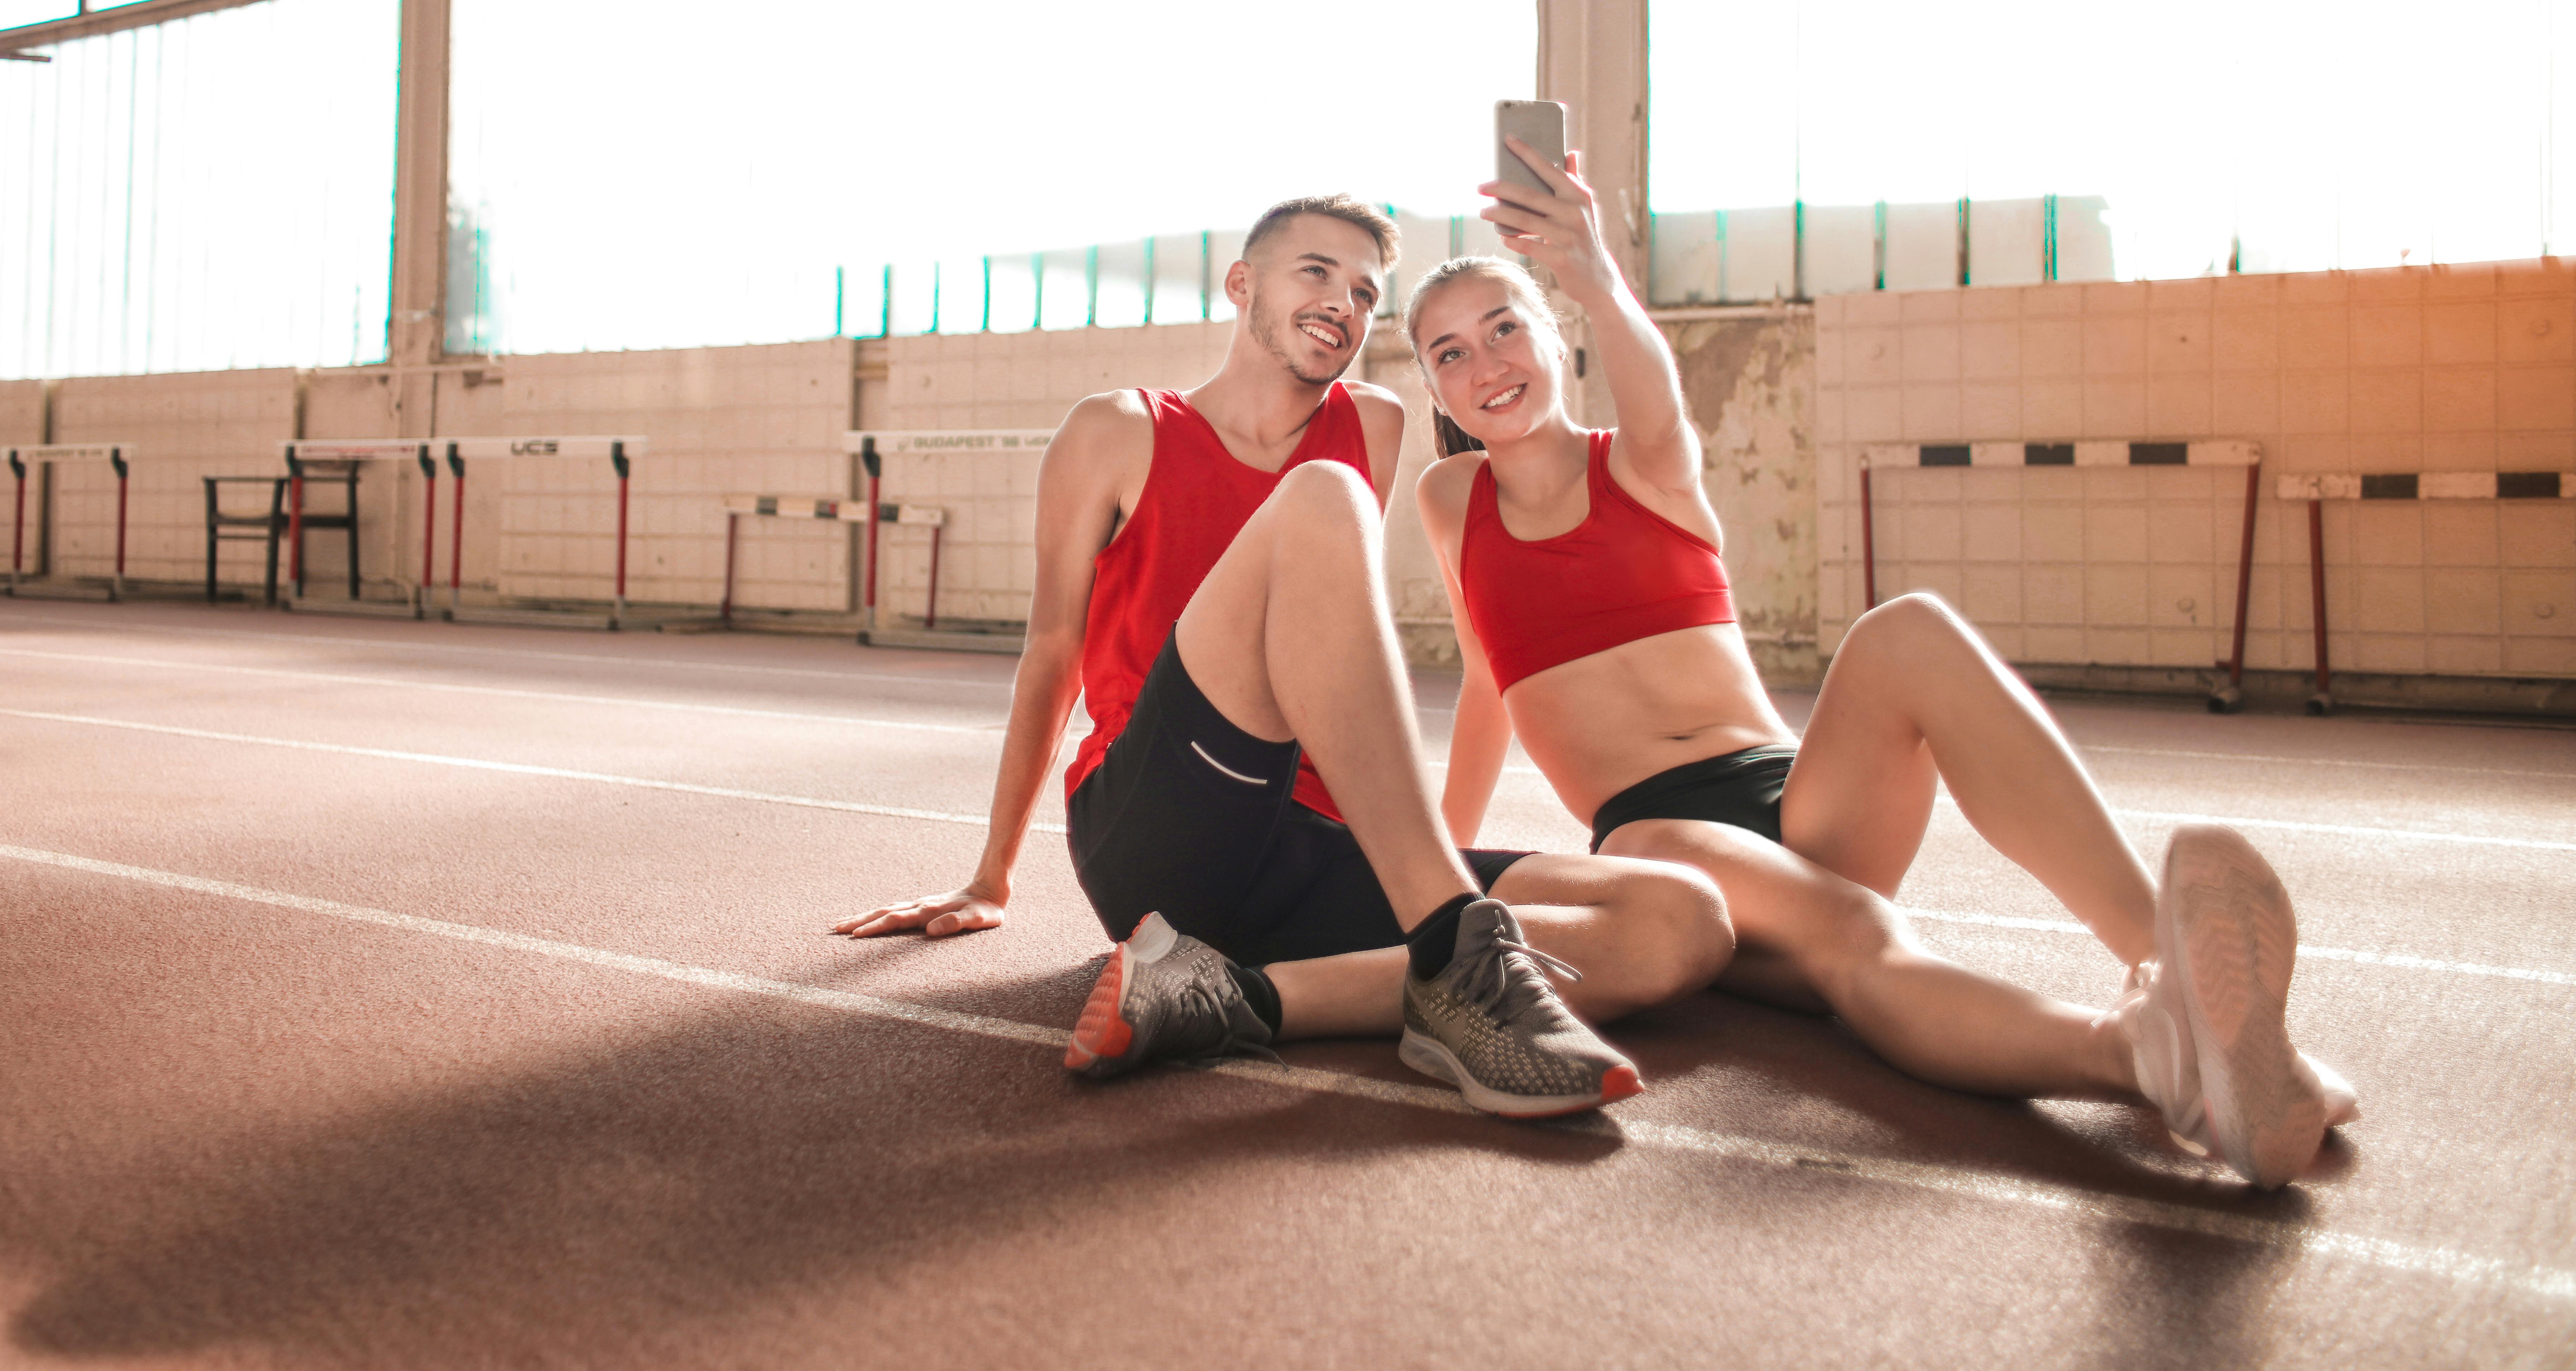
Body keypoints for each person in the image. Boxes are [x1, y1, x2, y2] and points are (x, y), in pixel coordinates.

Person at [1402, 141, 2358, 1187]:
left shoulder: (1644, 464)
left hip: (1796, 791)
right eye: (1450, 353)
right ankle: (2152, 1061)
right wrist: (1437, 869)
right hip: (1660, 830)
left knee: (1908, 628)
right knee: (1859, 929)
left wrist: (1593, 268)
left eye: (1507, 329)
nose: (1486, 364)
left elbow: (1657, 391)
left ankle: (2175, 980)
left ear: (1559, 342)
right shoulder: (1451, 505)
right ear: (1436, 391)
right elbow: (1494, 675)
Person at [833, 194, 1734, 1118]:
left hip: (1306, 854)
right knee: (1321, 501)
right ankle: (1456, 946)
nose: (1343, 301)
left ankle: (1233, 1000)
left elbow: (1328, 639)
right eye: (1317, 272)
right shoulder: (1117, 431)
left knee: (1684, 920)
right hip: (1157, 832)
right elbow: (1054, 653)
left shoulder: (1375, 425)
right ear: (1241, 284)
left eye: (1363, 290)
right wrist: (993, 875)